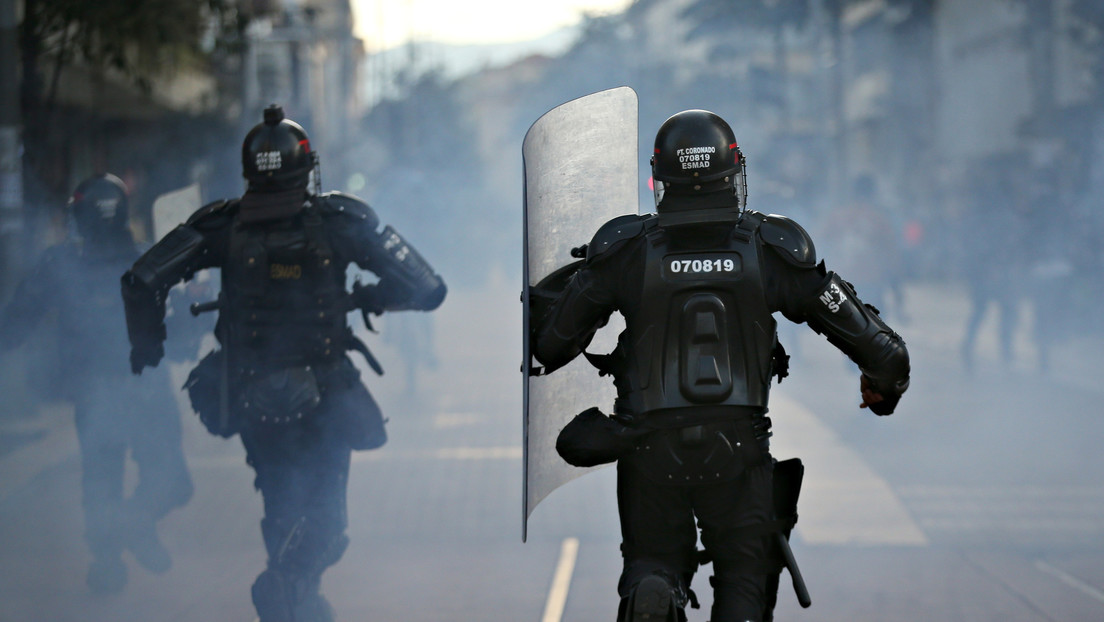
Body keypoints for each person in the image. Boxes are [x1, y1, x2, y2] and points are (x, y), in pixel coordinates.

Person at [531, 110, 910, 622]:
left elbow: (551, 346)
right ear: (733, 174)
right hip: (740, 451)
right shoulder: (772, 249)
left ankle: (653, 585)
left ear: (658, 179)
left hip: (647, 446)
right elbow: (886, 354)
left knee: (652, 557)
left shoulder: (624, 250)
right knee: (746, 575)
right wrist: (880, 387)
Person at [121, 105, 447, 622]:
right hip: (326, 393)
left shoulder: (220, 225)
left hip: (249, 391)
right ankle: (286, 586)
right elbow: (428, 288)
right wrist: (371, 296)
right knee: (327, 524)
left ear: (251, 168)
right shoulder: (342, 220)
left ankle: (294, 601)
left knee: (279, 503)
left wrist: (148, 345)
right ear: (306, 165)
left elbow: (141, 279)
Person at [0, 174, 194, 593]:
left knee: (103, 478)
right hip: (142, 388)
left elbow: (17, 320)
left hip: (97, 390)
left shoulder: (61, 263)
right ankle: (124, 538)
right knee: (168, 480)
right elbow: (182, 335)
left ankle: (116, 544)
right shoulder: (150, 260)